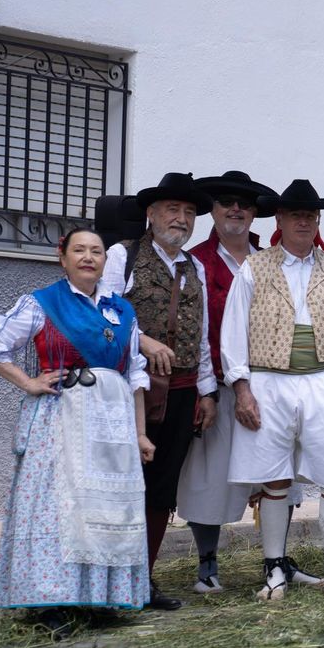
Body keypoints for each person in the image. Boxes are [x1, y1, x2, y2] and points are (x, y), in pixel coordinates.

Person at [0, 227, 153, 626]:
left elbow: (135, 375)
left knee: (106, 508)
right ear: (62, 257)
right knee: (58, 508)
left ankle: (97, 599)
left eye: (96, 251)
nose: (88, 257)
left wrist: (139, 432)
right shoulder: (43, 303)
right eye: (79, 250)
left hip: (112, 425)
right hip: (63, 419)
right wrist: (28, 382)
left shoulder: (122, 311)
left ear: (105, 260)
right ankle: (50, 602)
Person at [222, 179, 324, 600]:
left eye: (311, 215)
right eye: (296, 214)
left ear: (317, 220)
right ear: (281, 219)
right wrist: (242, 388)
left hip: (323, 380)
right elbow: (233, 331)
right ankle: (274, 569)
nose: (304, 221)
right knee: (274, 477)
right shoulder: (255, 267)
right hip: (269, 381)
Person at [100, 172, 218, 610]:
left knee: (162, 488)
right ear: (151, 214)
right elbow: (103, 313)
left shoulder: (196, 266)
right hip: (132, 389)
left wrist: (207, 391)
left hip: (184, 390)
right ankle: (109, 582)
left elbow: (202, 333)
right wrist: (143, 340)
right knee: (124, 485)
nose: (182, 219)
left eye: (189, 213)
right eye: (173, 210)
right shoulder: (122, 256)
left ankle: (141, 582)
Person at [178, 170, 277, 594]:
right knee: (209, 476)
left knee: (277, 477)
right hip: (218, 384)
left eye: (244, 203)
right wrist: (205, 391)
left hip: (273, 385)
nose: (235, 209)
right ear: (214, 212)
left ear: (254, 214)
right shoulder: (195, 261)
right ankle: (207, 564)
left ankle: (278, 561)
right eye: (226, 203)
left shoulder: (272, 259)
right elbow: (195, 330)